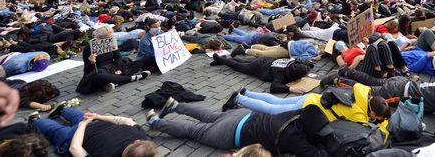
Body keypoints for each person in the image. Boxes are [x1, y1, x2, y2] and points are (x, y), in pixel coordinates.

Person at [146, 99, 332, 157]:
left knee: (208, 115)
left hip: (243, 115)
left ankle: (177, 105)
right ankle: (156, 122)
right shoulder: (294, 140)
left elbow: (311, 109)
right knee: (193, 131)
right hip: (233, 133)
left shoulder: (297, 114)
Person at [222, 81, 391, 137]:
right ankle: (239, 99)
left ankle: (248, 93)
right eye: (376, 117)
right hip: (310, 108)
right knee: (272, 110)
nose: (374, 119)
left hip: (313, 98)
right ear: (373, 113)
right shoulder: (359, 114)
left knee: (277, 101)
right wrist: (386, 124)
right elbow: (377, 130)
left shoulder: (362, 91)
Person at [30, 108, 156, 157]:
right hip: (81, 133)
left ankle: (63, 110)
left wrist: (98, 118)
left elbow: (125, 120)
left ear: (137, 142)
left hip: (88, 128)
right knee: (59, 130)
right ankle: (36, 120)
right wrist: (96, 118)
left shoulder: (139, 135)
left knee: (79, 118)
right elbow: (75, 149)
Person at [76, 26, 150, 94]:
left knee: (137, 62)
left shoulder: (112, 42)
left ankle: (114, 81)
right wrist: (91, 61)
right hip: (100, 70)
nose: (111, 39)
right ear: (101, 38)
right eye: (109, 38)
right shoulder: (89, 47)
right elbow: (88, 69)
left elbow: (118, 57)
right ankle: (132, 78)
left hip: (113, 67)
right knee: (100, 76)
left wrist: (118, 69)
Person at [210, 55, 311, 93]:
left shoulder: (294, 62)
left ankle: (223, 60)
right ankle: (220, 59)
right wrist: (290, 88)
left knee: (241, 60)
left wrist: (311, 63)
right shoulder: (282, 74)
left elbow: (307, 64)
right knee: (238, 66)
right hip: (258, 68)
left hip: (264, 59)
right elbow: (274, 87)